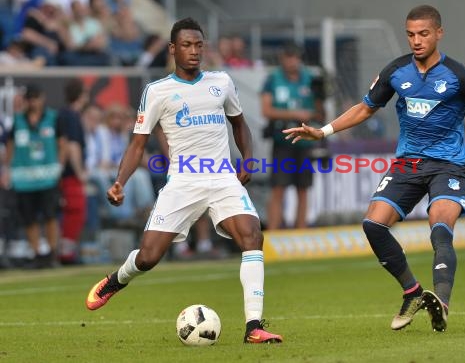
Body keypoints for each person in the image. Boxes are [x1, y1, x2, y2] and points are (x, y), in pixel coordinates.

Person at [283, 5, 465, 332]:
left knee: (440, 226)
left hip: (448, 166)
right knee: (373, 224)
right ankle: (413, 292)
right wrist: (323, 131)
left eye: (423, 34)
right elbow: (365, 108)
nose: (416, 41)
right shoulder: (396, 72)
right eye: (411, 34)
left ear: (439, 34)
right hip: (407, 165)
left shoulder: (460, 76)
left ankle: (441, 303)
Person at [85, 17, 283, 344]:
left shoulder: (221, 82)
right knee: (148, 256)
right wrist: (119, 181)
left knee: (252, 236)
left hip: (222, 177)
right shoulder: (157, 91)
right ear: (173, 49)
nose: (194, 52)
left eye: (199, 45)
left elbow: (240, 125)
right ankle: (116, 280)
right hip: (183, 181)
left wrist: (246, 158)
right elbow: (137, 144)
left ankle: (254, 327)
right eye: (187, 46)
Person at [261, 42, 324, 229]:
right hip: (283, 140)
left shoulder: (310, 78)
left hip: (305, 140)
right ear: (282, 59)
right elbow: (266, 110)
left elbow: (320, 112)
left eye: (294, 57)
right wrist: (295, 114)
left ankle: (300, 230)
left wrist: (322, 99)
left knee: (303, 189)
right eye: (288, 57)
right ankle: (273, 233)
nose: (291, 61)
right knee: (278, 188)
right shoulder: (273, 79)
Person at [1, 84, 65, 268]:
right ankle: (37, 253)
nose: (33, 102)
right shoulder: (18, 120)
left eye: (36, 98)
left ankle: (52, 253)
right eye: (30, 98)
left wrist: (59, 167)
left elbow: (63, 144)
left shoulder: (53, 118)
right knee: (29, 218)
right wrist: (7, 170)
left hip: (48, 177)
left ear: (42, 98)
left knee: (50, 216)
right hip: (24, 180)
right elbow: (10, 147)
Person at [58, 78, 88, 264]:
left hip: (64, 173)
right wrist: (80, 173)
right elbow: (72, 146)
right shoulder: (72, 115)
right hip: (70, 174)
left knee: (70, 213)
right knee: (75, 212)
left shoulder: (64, 114)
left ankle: (66, 250)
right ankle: (66, 254)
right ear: (82, 95)